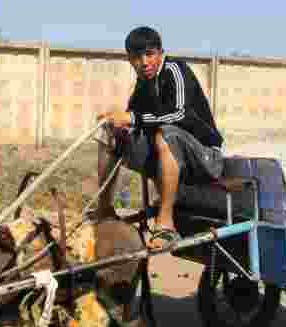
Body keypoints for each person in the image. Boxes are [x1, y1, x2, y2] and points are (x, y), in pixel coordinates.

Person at [96, 26, 224, 249]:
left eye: (149, 54)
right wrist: (117, 124)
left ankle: (165, 223)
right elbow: (134, 120)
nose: (144, 62)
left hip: (204, 158)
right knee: (108, 132)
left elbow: (179, 114)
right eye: (137, 57)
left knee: (166, 133)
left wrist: (130, 118)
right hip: (164, 156)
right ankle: (104, 209)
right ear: (129, 60)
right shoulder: (143, 82)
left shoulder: (175, 69)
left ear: (160, 53)